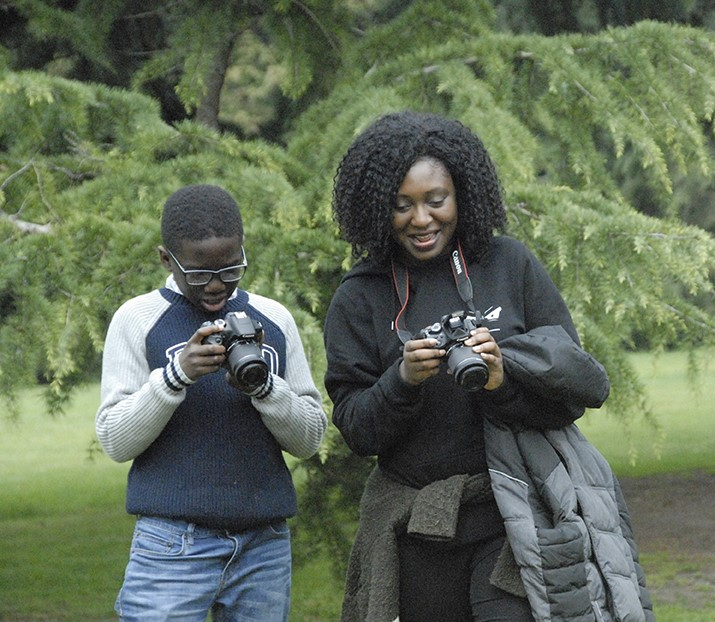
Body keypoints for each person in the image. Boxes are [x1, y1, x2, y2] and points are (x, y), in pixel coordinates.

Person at [324, 111, 654, 622]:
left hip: (514, 516)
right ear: (376, 209)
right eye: (401, 206)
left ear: (462, 195)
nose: (421, 219)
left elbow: (571, 395)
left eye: (436, 200)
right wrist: (403, 380)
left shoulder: (508, 264)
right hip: (419, 527)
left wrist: (501, 383)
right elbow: (359, 432)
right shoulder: (359, 295)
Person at [95, 183, 328, 621]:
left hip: (264, 545)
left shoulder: (273, 319)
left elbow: (310, 438)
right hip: (171, 543)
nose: (217, 285)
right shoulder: (138, 319)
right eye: (200, 273)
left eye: (231, 268)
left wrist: (264, 387)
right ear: (167, 259)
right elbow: (115, 439)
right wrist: (176, 376)